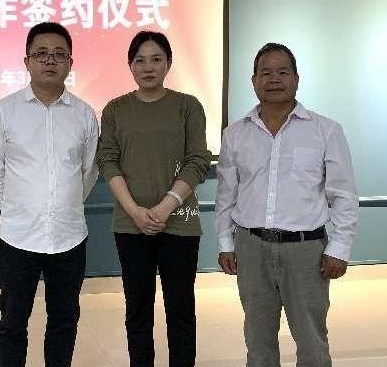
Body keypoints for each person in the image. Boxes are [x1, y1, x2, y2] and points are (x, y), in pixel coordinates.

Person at [215, 42, 359, 367]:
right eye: (265, 72)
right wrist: (226, 243)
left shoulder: (326, 130)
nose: (274, 79)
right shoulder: (235, 134)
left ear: (296, 78)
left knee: (312, 341)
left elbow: (344, 195)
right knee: (258, 341)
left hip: (306, 251)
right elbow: (226, 195)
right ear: (254, 81)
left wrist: (339, 248)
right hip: (251, 249)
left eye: (282, 71)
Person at [0, 22, 100, 367]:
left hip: (69, 237)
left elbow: (89, 172)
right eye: (42, 54)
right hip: (17, 237)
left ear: (70, 63)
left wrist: (62, 206)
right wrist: (18, 208)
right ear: (27, 61)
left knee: (64, 320)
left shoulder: (84, 114)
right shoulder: (4, 111)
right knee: (13, 322)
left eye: (59, 54)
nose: (50, 60)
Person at [95, 31, 212, 367]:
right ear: (130, 66)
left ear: (168, 63)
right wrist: (134, 211)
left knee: (180, 309)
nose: (148, 67)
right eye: (140, 60)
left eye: (156, 59)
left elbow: (197, 160)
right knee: (138, 309)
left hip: (180, 224)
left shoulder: (188, 106)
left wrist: (165, 206)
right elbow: (107, 160)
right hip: (130, 225)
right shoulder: (116, 109)